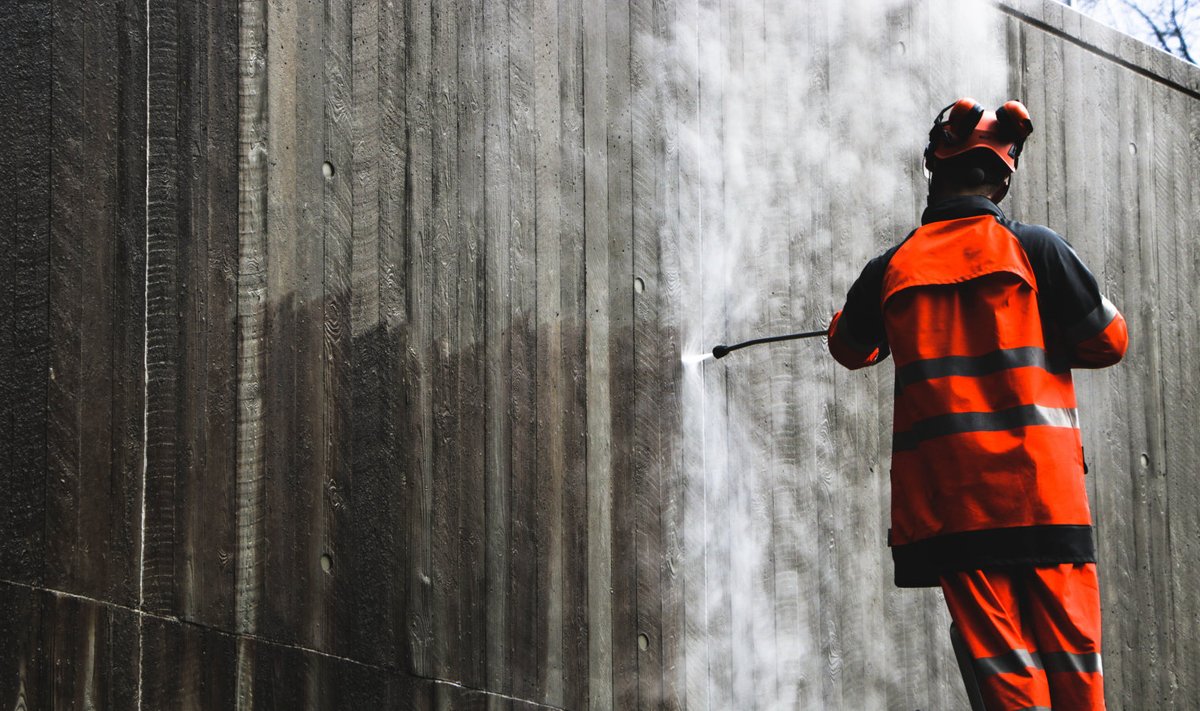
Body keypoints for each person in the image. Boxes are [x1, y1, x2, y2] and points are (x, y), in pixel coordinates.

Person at [827, 98, 1128, 710]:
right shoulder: (1037, 249)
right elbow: (1108, 342)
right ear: (1004, 178)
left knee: (1008, 683)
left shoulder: (891, 270)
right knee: (1077, 677)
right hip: (1046, 505)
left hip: (957, 514)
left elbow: (850, 350)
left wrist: (865, 320)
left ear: (933, 169)